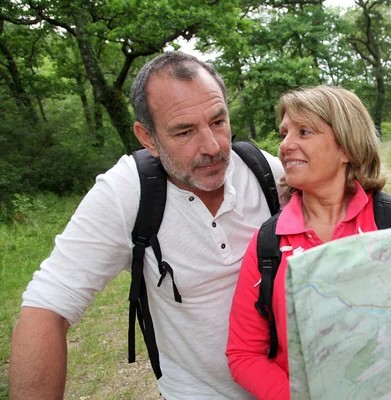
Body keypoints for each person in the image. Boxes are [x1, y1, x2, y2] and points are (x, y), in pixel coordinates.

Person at [8, 52, 284, 399]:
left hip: (287, 386)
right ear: (148, 137)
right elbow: (46, 308)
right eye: (184, 132)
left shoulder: (263, 172)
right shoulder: (125, 193)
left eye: (218, 121)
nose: (213, 147)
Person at [226, 86, 391, 399]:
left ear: (347, 148)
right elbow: (244, 354)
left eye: (304, 131)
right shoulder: (267, 243)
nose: (285, 145)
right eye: (284, 133)